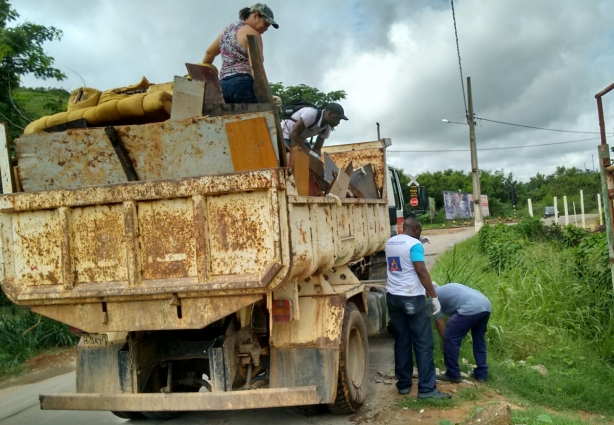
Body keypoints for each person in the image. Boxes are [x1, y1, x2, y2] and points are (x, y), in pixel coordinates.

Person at [385, 217, 451, 399]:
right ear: (414, 228)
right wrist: (434, 296)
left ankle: (404, 384)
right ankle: (427, 389)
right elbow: (421, 270)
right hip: (412, 297)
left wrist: (418, 241)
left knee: (402, 340)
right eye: (419, 232)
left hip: (393, 297)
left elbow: (403, 254)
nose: (419, 235)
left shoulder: (391, 242)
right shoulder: (414, 246)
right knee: (423, 343)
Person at [203, 4, 279, 104]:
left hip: (223, 86)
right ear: (255, 16)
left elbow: (209, 53)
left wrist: (205, 76)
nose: (266, 28)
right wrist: (266, 95)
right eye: (265, 24)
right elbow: (255, 67)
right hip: (243, 85)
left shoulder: (227, 31)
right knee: (255, 118)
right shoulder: (253, 33)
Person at [432, 282, 492, 383]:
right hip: (486, 305)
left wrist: (444, 343)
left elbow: (439, 322)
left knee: (450, 337)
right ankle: (482, 374)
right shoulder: (447, 287)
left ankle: (453, 373)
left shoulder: (433, 297)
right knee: (479, 340)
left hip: (470, 307)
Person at [281, 103, 348, 155]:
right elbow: (293, 135)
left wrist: (317, 160)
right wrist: (309, 152)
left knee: (316, 165)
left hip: (300, 139)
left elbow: (317, 148)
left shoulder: (327, 127)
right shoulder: (311, 114)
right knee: (290, 156)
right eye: (338, 118)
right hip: (286, 134)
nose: (338, 122)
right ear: (330, 114)